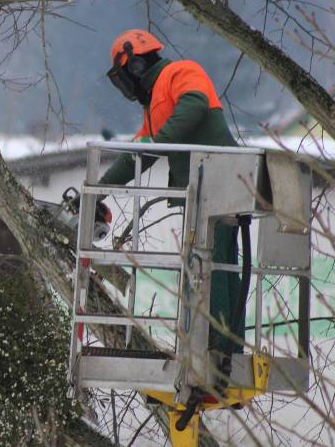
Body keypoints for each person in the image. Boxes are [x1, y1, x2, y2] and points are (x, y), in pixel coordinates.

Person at [100, 28, 243, 355]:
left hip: (220, 185)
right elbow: (139, 155)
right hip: (201, 193)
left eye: (124, 75)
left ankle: (219, 350)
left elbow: (195, 106)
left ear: (134, 66)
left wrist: (159, 141)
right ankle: (219, 344)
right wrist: (99, 191)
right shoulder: (154, 104)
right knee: (209, 266)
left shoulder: (181, 72)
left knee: (214, 267)